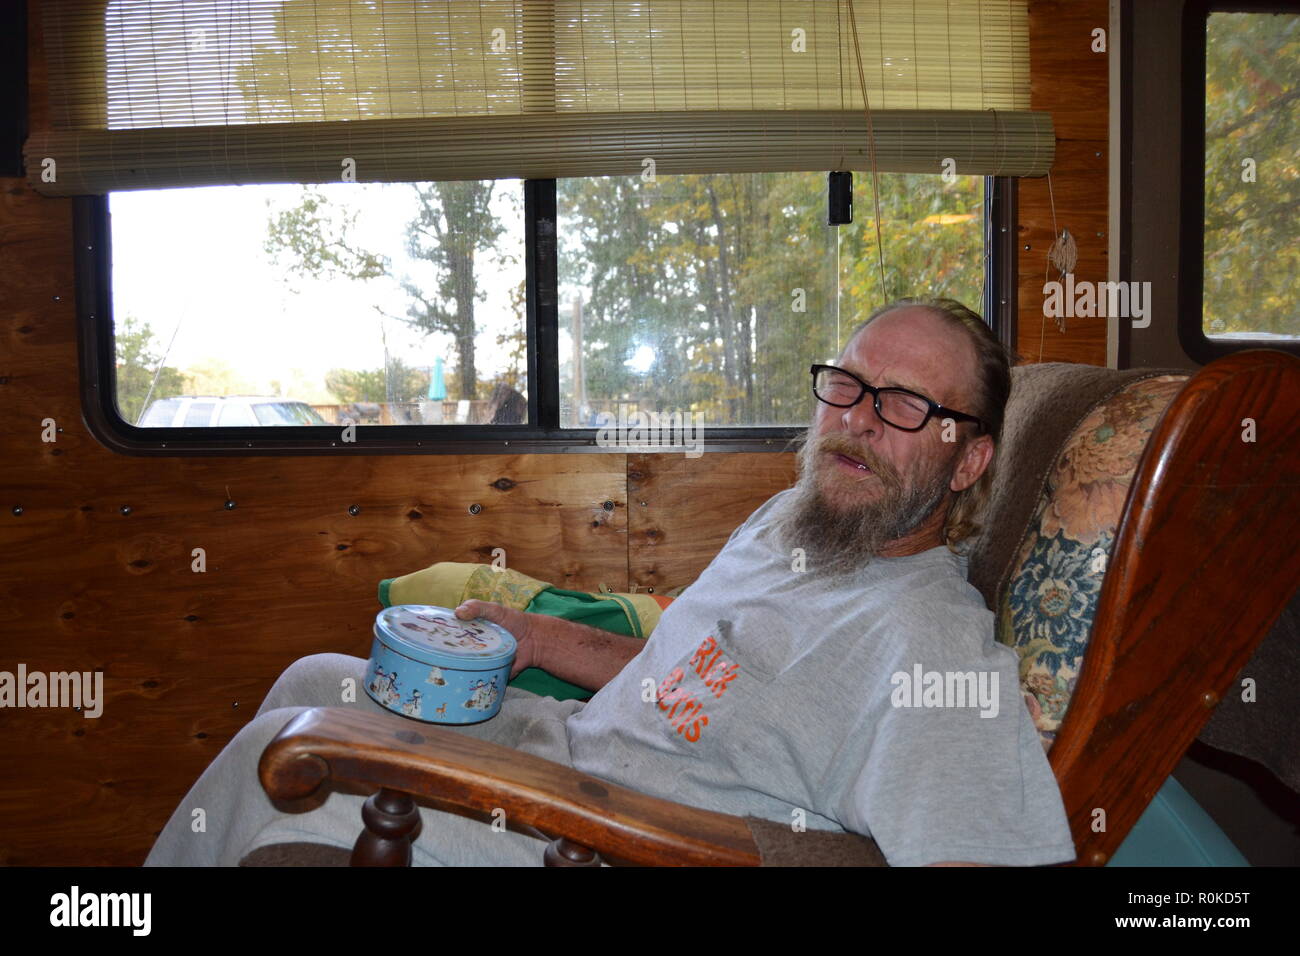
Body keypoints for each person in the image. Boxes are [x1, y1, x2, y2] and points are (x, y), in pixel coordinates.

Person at [144, 298, 1075, 867]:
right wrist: (539, 640)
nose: (859, 421)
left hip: (603, 839)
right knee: (317, 678)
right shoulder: (803, 520)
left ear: (968, 461)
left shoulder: (927, 647)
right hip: (570, 747)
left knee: (280, 753)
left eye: (908, 405)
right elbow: (689, 675)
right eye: (848, 384)